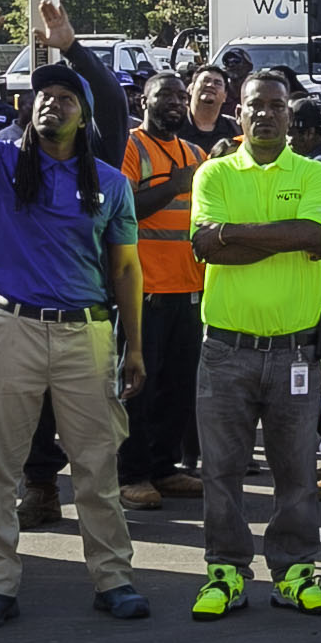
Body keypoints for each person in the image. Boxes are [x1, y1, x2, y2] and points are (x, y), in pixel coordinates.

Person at [0, 4, 147, 629]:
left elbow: (126, 270)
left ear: (84, 113)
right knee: (1, 465)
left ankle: (113, 577)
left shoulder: (108, 182)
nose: (54, 103)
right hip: (12, 329)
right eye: (44, 97)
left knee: (97, 467)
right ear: (28, 110)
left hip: (88, 334)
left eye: (67, 97)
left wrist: (135, 347)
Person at [187, 68, 321, 617]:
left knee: (296, 469)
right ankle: (225, 572)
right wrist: (282, 233)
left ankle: (296, 571)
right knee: (220, 470)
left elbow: (313, 237)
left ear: (289, 113)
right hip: (225, 349)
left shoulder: (316, 175)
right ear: (239, 113)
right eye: (255, 105)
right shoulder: (213, 175)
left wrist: (234, 234)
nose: (266, 114)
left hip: (296, 352)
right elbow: (208, 248)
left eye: (276, 105)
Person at [117, 86, 208, 511]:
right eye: (164, 96)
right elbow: (124, 208)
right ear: (144, 102)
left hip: (189, 291)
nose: (174, 102)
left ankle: (165, 468)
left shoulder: (195, 153)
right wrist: (173, 185)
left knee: (178, 386)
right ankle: (132, 474)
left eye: (179, 97)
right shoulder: (132, 146)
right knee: (138, 389)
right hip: (144, 292)